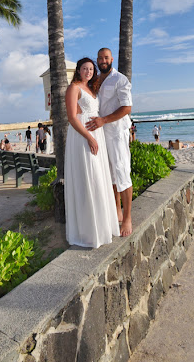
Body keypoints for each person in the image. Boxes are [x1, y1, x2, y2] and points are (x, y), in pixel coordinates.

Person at [64, 57, 119, 248]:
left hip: (97, 137)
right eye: (85, 68)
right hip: (83, 137)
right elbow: (72, 117)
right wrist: (89, 137)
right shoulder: (74, 88)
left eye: (91, 69)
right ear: (78, 70)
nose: (88, 71)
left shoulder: (92, 89)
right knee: (88, 179)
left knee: (99, 179)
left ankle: (102, 227)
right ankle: (88, 232)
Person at [86, 47, 133, 237]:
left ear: (112, 59)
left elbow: (127, 107)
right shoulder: (96, 80)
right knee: (110, 174)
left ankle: (128, 217)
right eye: (100, 58)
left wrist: (104, 120)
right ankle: (116, 211)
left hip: (116, 133)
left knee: (122, 173)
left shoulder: (120, 79)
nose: (102, 60)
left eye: (106, 57)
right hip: (101, 134)